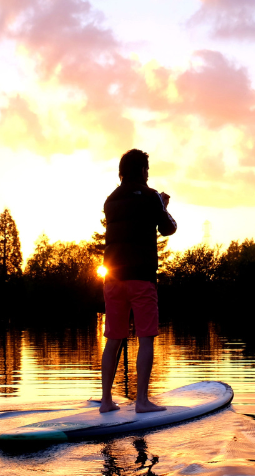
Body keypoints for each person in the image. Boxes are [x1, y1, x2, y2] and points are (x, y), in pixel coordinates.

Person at [98, 149, 176, 413]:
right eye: (147, 170)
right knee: (145, 338)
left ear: (122, 171)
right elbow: (168, 228)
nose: (148, 174)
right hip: (141, 279)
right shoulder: (151, 197)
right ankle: (142, 401)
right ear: (142, 171)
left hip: (113, 278)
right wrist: (163, 205)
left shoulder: (110, 201)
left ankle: (106, 401)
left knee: (113, 339)